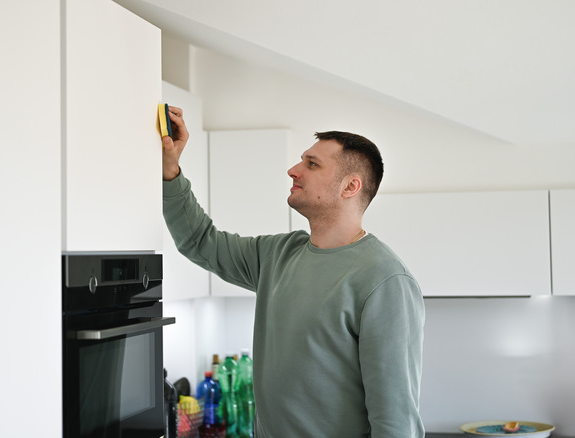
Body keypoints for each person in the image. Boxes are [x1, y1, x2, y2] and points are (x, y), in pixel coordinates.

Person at [161, 106, 425, 438]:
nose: (293, 170)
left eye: (311, 164)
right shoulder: (277, 255)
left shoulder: (384, 280)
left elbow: (396, 420)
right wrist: (170, 172)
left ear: (350, 186)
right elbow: (201, 241)